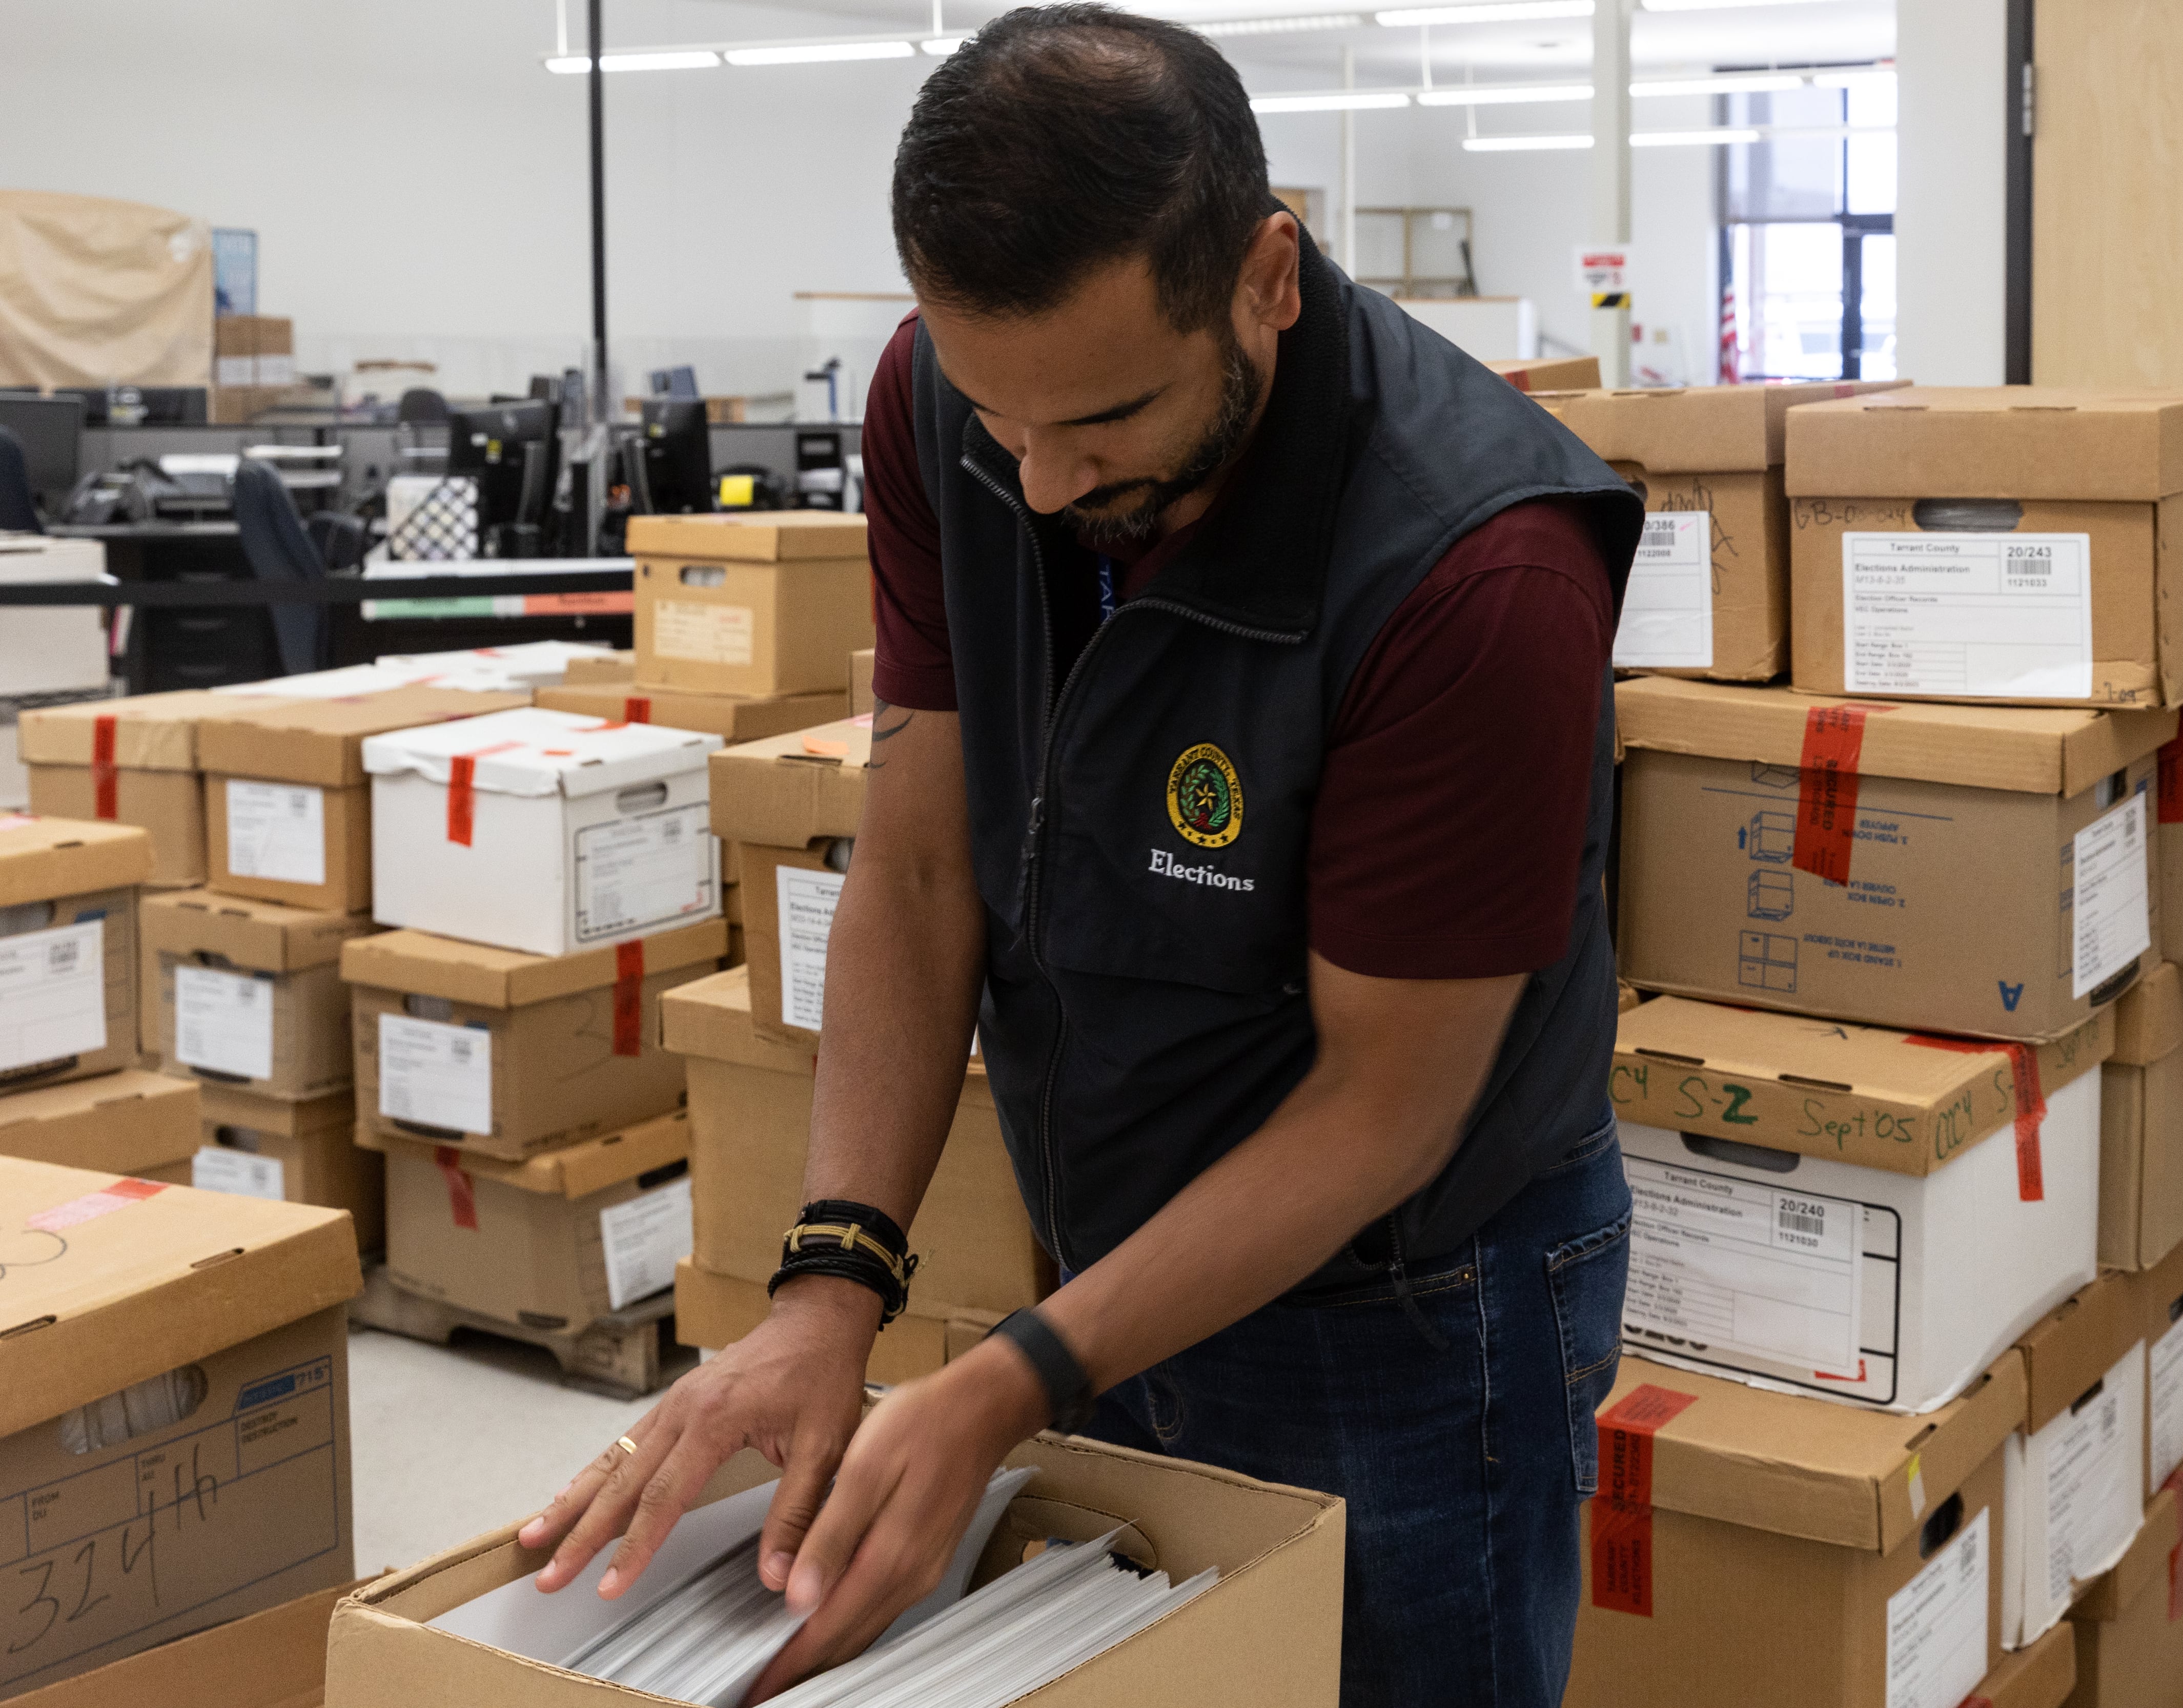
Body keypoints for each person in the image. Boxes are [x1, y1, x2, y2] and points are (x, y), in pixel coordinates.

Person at [518, 8, 1643, 1703]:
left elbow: (1384, 1107)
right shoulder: (944, 407)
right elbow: (912, 863)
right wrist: (832, 1286)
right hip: (1114, 1246)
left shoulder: (1476, 575)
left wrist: (1014, 1374)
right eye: (999, 420)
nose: (1037, 486)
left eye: (1105, 425)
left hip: (1411, 1304)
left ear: (1269, 274)